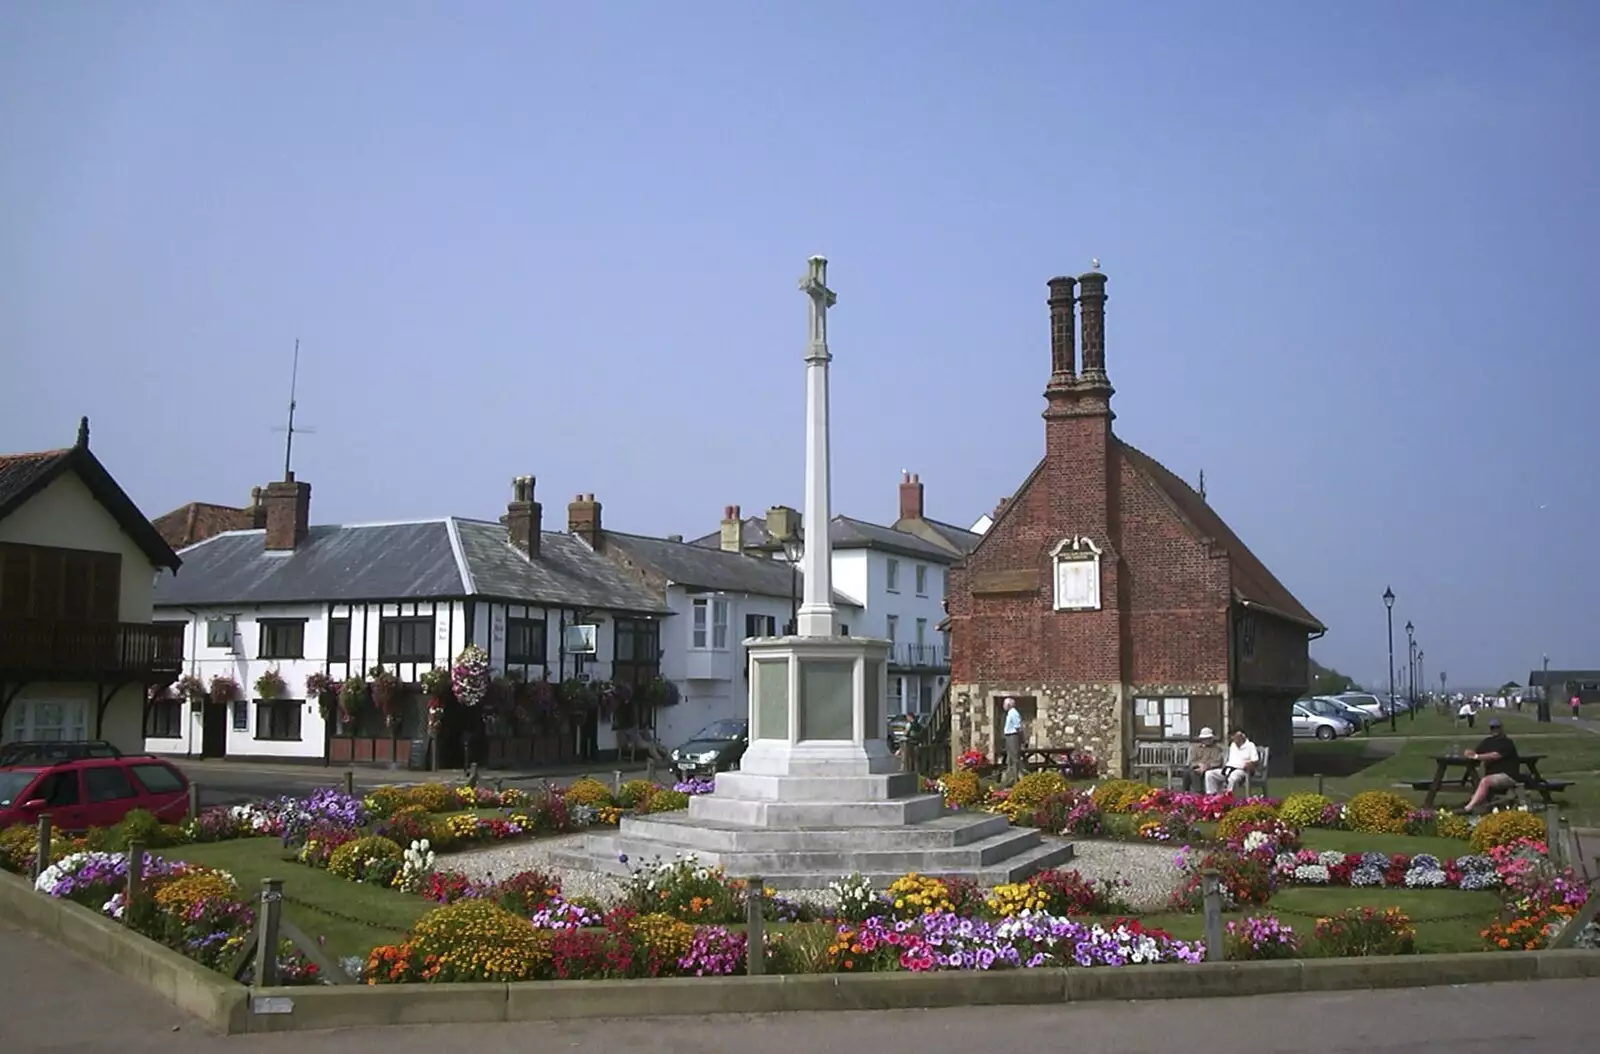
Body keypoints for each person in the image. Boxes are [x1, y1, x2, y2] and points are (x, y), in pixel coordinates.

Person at [1461, 717, 1522, 813]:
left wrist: (1476, 756)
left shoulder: (1506, 742)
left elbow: (1495, 755)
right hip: (1493, 775)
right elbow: (1476, 752)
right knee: (1482, 780)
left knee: (1485, 781)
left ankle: (1469, 808)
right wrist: (1469, 753)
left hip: (1508, 775)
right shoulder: (1487, 741)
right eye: (1492, 728)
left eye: (1497, 727)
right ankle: (1478, 805)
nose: (1495, 730)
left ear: (1501, 728)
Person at [1204, 730, 1259, 795]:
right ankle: (1212, 797)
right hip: (1228, 769)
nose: (1233, 739)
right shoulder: (1233, 745)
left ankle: (1228, 798)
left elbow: (1255, 760)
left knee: (1233, 777)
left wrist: (1249, 764)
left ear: (1242, 736)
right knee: (1209, 774)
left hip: (1240, 770)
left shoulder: (1250, 745)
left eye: (1236, 737)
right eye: (1233, 737)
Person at [1185, 727, 1224, 793]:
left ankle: (1199, 793)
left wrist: (1206, 766)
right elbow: (1192, 761)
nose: (1207, 740)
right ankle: (1185, 792)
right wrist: (1200, 765)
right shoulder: (1196, 748)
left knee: (1195, 773)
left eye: (1208, 738)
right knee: (1187, 772)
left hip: (1210, 768)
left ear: (1212, 739)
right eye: (1205, 739)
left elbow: (1217, 762)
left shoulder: (1216, 749)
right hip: (1197, 767)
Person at [1001, 698, 1024, 786]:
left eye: (1004, 704)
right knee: (1010, 758)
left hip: (1013, 736)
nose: (1003, 706)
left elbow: (1018, 727)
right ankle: (1010, 779)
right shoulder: (1009, 713)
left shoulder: (1014, 713)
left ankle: (1016, 779)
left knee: (1015, 757)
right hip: (1009, 736)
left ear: (1009, 705)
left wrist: (1021, 739)